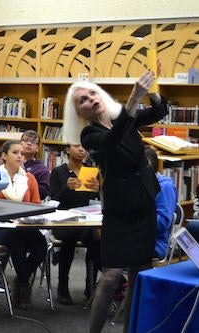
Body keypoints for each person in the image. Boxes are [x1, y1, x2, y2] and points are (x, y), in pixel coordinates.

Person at [62, 62, 169, 333]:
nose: (90, 100)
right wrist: (134, 98)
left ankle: (129, 330)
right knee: (110, 277)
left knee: (138, 274)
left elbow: (159, 111)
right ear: (78, 112)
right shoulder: (89, 135)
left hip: (143, 202)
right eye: (82, 100)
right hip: (119, 210)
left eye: (92, 94)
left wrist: (152, 89)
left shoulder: (122, 114)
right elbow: (112, 141)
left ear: (101, 95)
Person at [0, 140, 47, 310]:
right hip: (1, 226)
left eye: (22, 153)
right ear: (4, 156)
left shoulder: (29, 178)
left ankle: (21, 279)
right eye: (15, 152)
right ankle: (23, 286)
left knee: (41, 245)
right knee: (17, 240)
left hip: (25, 226)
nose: (20, 156)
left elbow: (36, 205)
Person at [49, 143, 100, 305]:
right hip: (63, 219)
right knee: (69, 238)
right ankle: (63, 287)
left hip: (86, 218)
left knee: (96, 239)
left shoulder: (91, 171)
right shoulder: (58, 172)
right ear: (67, 149)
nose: (81, 150)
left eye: (84, 147)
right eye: (77, 146)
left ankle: (90, 286)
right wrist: (67, 187)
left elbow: (97, 201)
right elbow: (54, 200)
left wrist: (97, 190)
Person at [144, 146, 178, 259]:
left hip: (154, 243)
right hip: (134, 238)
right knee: (98, 246)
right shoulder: (137, 184)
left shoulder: (165, 187)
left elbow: (163, 223)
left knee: (111, 255)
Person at [20, 130, 50, 201]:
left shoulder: (41, 169)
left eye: (33, 142)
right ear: (20, 143)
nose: (29, 143)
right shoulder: (9, 160)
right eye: (26, 140)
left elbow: (43, 193)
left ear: (37, 149)